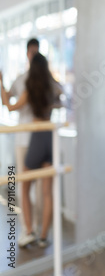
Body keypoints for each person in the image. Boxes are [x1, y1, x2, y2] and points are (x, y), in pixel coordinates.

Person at [1, 53, 62, 248]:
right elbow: (61, 101)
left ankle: (29, 232)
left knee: (24, 187)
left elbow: (9, 106)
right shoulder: (52, 87)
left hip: (36, 137)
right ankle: (44, 236)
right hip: (50, 136)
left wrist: (1, 85)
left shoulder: (31, 88)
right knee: (47, 191)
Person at [1, 38, 39, 244]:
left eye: (36, 53)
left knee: (36, 187)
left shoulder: (41, 79)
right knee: (25, 185)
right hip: (24, 139)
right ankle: (29, 229)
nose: (33, 56)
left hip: (37, 138)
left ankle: (37, 231)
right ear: (27, 54)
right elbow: (7, 100)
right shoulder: (22, 79)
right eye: (31, 52)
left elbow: (10, 105)